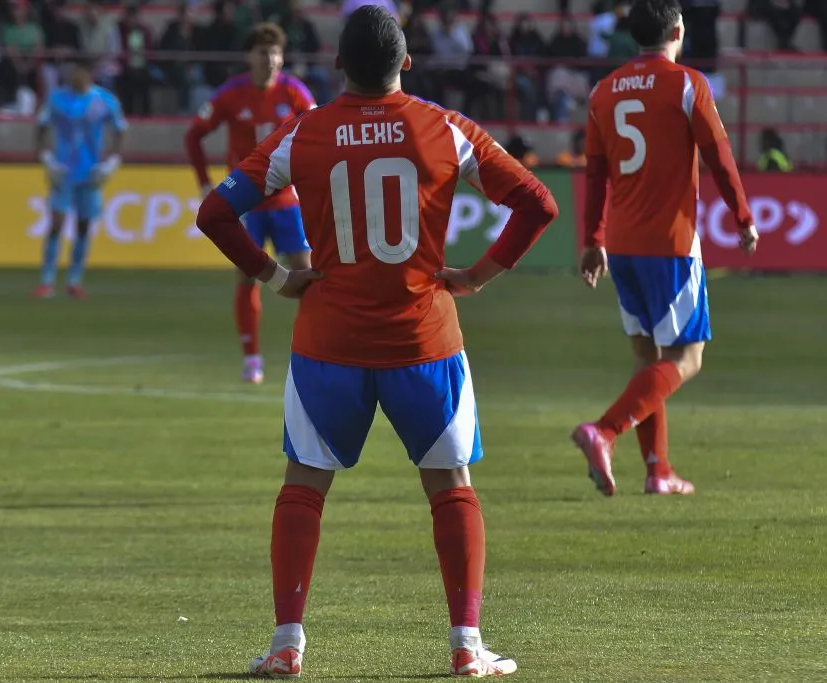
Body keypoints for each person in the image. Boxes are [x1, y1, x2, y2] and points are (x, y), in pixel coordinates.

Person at [194, 6, 558, 677]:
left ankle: (286, 643)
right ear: (407, 63)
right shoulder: (448, 130)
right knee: (450, 485)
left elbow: (213, 211)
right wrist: (477, 275)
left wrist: (277, 275)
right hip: (425, 341)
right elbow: (538, 201)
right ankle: (465, 643)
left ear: (337, 65)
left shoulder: (301, 133)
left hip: (328, 342)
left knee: (304, 484)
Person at [574, 0, 757, 496]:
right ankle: (603, 431)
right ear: (678, 30)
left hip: (623, 244)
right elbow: (718, 153)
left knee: (647, 358)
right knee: (687, 357)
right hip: (671, 243)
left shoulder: (603, 91)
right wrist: (742, 216)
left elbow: (595, 176)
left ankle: (658, 471)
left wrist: (593, 240)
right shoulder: (687, 84)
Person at [184, 23, 317, 384]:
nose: (271, 59)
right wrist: (204, 184)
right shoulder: (230, 94)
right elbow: (194, 135)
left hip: (287, 200)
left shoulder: (294, 92)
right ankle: (252, 357)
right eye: (263, 52)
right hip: (246, 204)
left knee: (308, 278)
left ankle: (313, 353)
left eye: (276, 53)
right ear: (249, 57)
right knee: (247, 277)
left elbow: (318, 132)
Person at [33, 56, 127, 300]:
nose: (73, 76)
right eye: (71, 71)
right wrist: (46, 159)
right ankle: (47, 280)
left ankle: (74, 280)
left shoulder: (104, 101)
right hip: (62, 171)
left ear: (89, 73)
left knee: (83, 227)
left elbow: (119, 131)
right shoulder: (57, 99)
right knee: (56, 223)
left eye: (78, 72)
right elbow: (41, 128)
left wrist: (112, 162)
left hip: (90, 172)